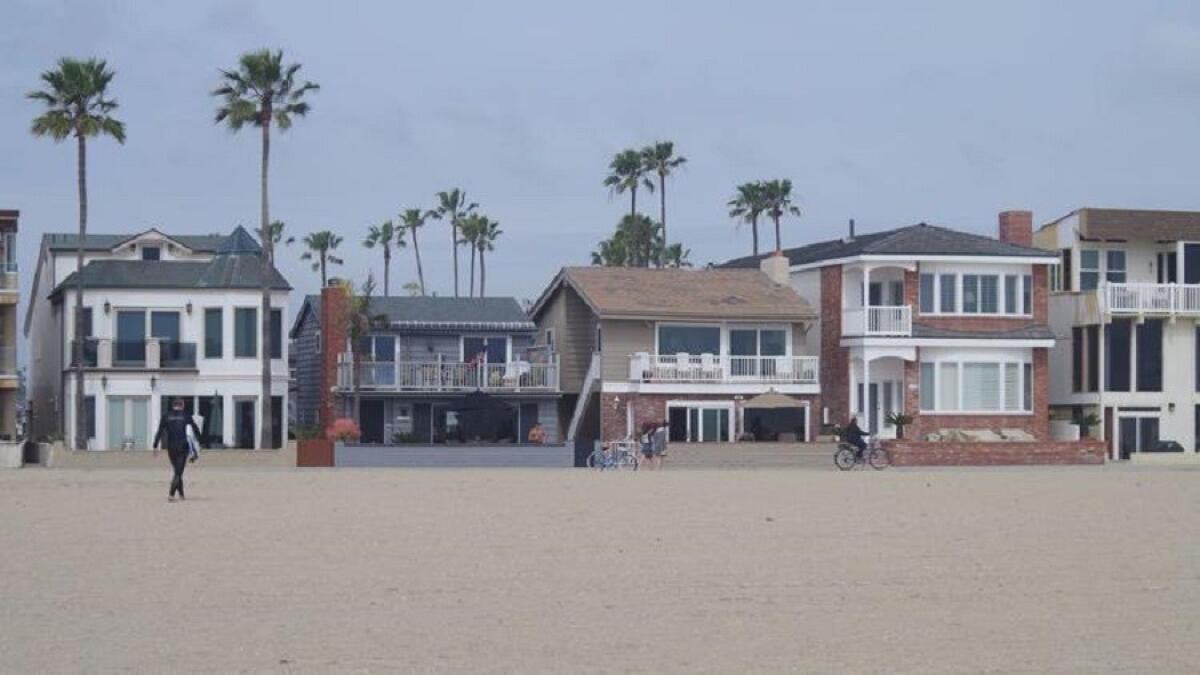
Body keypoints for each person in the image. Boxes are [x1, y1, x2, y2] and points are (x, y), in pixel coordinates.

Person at [153, 398, 202, 502]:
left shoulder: (166, 416)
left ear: (173, 405)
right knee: (178, 472)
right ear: (182, 405)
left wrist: (155, 446)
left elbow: (159, 431)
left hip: (171, 447)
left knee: (177, 471)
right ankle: (171, 494)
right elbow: (195, 428)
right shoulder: (185, 415)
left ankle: (181, 495)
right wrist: (200, 440)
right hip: (182, 446)